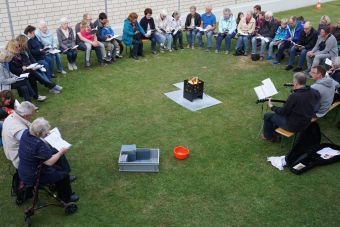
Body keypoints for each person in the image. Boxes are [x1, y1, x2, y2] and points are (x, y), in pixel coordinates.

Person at [18, 117, 79, 203]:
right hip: (34, 175)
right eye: (46, 131)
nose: (48, 132)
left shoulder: (26, 133)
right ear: (40, 132)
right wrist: (61, 152)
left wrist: (46, 137)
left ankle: (59, 182)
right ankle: (66, 198)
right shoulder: (38, 144)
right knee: (63, 176)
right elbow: (49, 162)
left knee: (55, 153)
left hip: (24, 169)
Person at [262, 73, 320, 142]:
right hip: (307, 121)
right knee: (277, 114)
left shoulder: (294, 96)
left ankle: (269, 137)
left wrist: (272, 106)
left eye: (293, 82)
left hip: (294, 125)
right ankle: (275, 130)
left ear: (295, 83)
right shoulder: (313, 91)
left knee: (268, 115)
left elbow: (284, 112)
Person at [2, 101, 36, 168]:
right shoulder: (20, 130)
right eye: (31, 114)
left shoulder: (11, 116)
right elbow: (33, 143)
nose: (31, 116)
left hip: (11, 151)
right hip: (20, 159)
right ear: (26, 115)